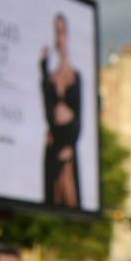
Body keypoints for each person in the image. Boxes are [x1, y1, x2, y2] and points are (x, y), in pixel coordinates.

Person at [39, 12, 82, 208]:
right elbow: (47, 108)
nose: (60, 38)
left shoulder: (75, 75)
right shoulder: (50, 76)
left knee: (69, 191)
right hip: (54, 142)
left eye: (63, 32)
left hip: (68, 142)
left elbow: (80, 113)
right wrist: (43, 67)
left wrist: (71, 145)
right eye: (57, 32)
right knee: (54, 191)